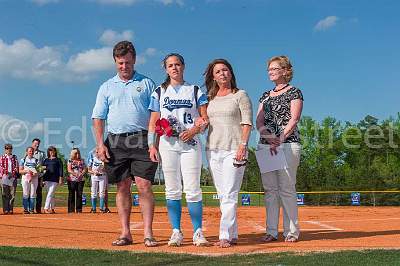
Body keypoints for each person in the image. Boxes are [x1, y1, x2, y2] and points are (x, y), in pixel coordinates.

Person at [92, 40, 158, 247]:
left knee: (144, 185)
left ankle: (148, 233)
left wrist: (152, 142)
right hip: (115, 140)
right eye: (120, 63)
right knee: (122, 186)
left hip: (142, 139)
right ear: (115, 62)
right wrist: (100, 144)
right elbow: (98, 117)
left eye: (127, 62)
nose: (124, 67)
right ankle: (125, 233)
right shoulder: (106, 87)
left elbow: (155, 113)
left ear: (134, 60)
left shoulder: (147, 83)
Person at [148, 53, 209, 247]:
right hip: (168, 145)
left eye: (178, 64)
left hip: (190, 144)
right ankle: (176, 231)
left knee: (193, 189)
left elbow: (204, 119)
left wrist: (194, 130)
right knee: (172, 189)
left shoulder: (195, 90)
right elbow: (153, 122)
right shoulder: (159, 92)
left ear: (184, 66)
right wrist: (152, 145)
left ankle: (198, 232)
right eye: (170, 65)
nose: (174, 68)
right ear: (166, 69)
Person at [203, 58, 253, 248]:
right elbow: (204, 121)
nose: (222, 73)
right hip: (213, 150)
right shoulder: (210, 99)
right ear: (213, 77)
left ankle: (224, 235)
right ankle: (233, 234)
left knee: (230, 193)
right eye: (218, 72)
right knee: (223, 194)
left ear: (231, 73)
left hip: (234, 149)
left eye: (225, 70)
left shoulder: (240, 95)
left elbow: (247, 122)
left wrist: (243, 145)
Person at [256, 55, 303, 243]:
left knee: (287, 188)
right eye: (269, 69)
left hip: (288, 144)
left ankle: (291, 232)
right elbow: (259, 121)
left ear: (285, 71)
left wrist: (280, 139)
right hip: (266, 145)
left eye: (274, 69)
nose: (270, 72)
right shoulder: (265, 95)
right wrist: (269, 137)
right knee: (270, 190)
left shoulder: (294, 92)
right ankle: (271, 231)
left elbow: (294, 119)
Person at [42, 146, 63, 214]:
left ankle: (46, 208)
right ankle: (52, 208)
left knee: (50, 193)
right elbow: (43, 169)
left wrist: (60, 178)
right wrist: (42, 179)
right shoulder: (46, 160)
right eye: (50, 151)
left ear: (55, 152)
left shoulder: (58, 160)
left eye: (53, 151)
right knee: (51, 194)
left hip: (55, 179)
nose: (52, 152)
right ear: (48, 152)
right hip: (47, 178)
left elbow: (61, 170)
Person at [19, 147, 39, 214]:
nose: (31, 152)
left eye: (32, 151)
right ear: (27, 152)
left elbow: (39, 170)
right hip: (25, 178)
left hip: (34, 178)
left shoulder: (36, 160)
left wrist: (35, 173)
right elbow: (20, 171)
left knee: (33, 194)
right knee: (25, 194)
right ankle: (25, 209)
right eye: (29, 151)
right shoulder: (23, 160)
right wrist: (27, 171)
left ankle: (31, 209)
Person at [0, 144, 19, 214]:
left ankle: (10, 209)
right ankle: (5, 210)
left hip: (13, 178)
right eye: (7, 148)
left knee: (12, 194)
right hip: (4, 178)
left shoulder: (14, 157)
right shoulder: (2, 157)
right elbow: (1, 166)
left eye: (10, 148)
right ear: (5, 149)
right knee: (5, 194)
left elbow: (16, 166)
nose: (9, 150)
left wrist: (12, 174)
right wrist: (7, 173)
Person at [67, 148, 86, 213]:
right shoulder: (70, 160)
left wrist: (81, 174)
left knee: (79, 194)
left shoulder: (82, 160)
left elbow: (84, 169)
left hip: (81, 180)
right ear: (73, 154)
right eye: (76, 153)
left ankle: (79, 210)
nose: (77, 154)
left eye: (78, 153)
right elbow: (69, 170)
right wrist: (75, 174)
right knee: (71, 194)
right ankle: (71, 210)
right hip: (72, 179)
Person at [32, 138, 45, 214]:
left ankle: (38, 209)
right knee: (30, 193)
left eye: (38, 144)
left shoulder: (42, 154)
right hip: (30, 176)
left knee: (39, 194)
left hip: (39, 176)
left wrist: (42, 177)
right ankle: (30, 209)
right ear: (32, 143)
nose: (36, 145)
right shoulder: (28, 152)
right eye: (35, 143)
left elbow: (44, 166)